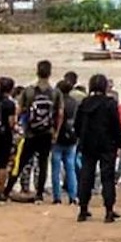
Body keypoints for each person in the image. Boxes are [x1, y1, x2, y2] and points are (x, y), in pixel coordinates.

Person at [76, 73, 121, 223]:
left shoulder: (84, 103)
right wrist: (119, 142)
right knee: (108, 177)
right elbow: (116, 125)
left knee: (86, 176)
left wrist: (81, 138)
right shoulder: (110, 103)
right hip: (107, 144)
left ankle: (83, 210)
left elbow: (77, 125)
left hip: (88, 144)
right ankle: (109, 211)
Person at [19, 60, 64, 204]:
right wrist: (56, 132)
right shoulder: (55, 92)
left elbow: (19, 110)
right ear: (50, 73)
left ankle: (15, 188)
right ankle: (39, 192)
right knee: (43, 163)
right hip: (47, 132)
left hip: (30, 131)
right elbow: (60, 114)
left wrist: (19, 126)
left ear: (37, 72)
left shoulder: (29, 90)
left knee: (23, 161)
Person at [52, 74, 81, 206]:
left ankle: (57, 197)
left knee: (56, 168)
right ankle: (73, 196)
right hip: (72, 136)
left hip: (58, 137)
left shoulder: (57, 102)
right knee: (70, 167)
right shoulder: (74, 102)